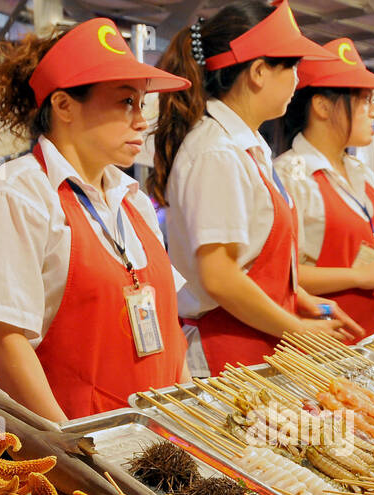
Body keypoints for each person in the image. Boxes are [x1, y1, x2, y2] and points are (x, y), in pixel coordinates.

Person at [0, 19, 192, 423]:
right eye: (125, 102)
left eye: (141, 104)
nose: (141, 120)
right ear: (64, 105)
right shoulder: (16, 195)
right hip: (75, 463)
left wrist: (188, 424)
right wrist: (75, 450)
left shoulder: (132, 201)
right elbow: (5, 341)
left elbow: (169, 334)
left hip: (157, 445)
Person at [151, 0, 361, 376]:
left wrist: (299, 298)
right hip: (225, 356)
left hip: (255, 347)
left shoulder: (246, 145)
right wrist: (297, 328)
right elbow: (219, 276)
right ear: (259, 72)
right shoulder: (216, 151)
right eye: (292, 67)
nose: (298, 80)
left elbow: (249, 263)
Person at [273, 37, 374, 339]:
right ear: (321, 106)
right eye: (365, 101)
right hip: (322, 349)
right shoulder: (291, 174)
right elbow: (282, 275)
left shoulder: (361, 173)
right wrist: (359, 276)